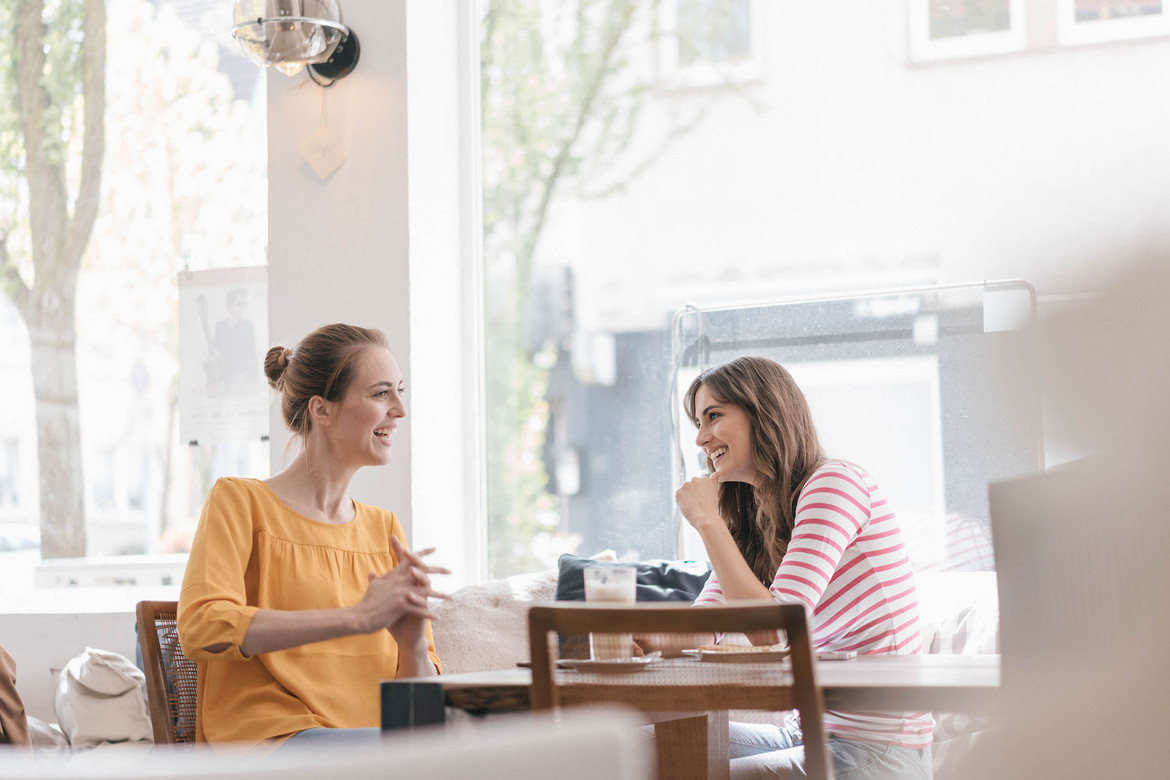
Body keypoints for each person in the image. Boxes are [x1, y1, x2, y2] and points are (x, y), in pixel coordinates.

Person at [178, 323, 446, 749]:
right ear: (322, 410)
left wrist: (413, 645)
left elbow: (416, 722)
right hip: (273, 742)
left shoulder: (385, 530)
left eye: (399, 391)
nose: (400, 409)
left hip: (371, 749)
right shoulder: (240, 502)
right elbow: (201, 627)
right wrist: (356, 618)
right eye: (380, 394)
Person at [676, 356, 933, 779]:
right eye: (698, 424)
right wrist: (639, 640)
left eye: (713, 416)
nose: (702, 438)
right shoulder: (756, 514)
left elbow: (776, 630)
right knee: (645, 749)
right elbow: (705, 626)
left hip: (877, 750)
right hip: (808, 732)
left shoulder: (834, 483)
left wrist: (707, 521)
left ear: (762, 411)